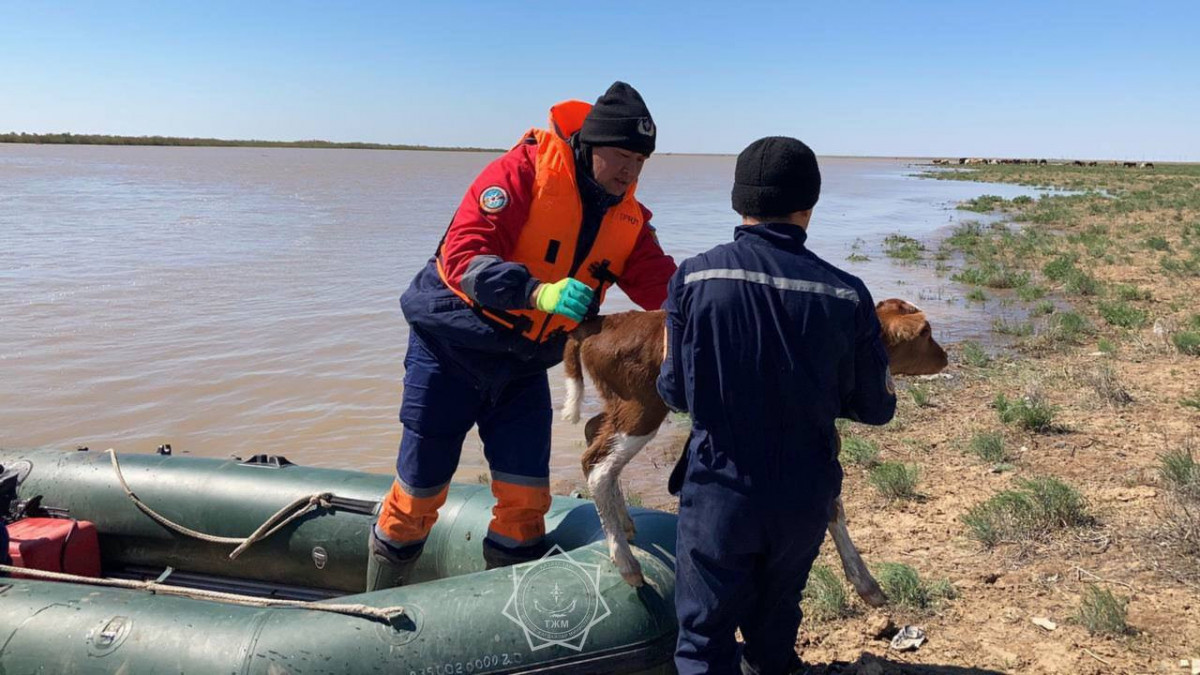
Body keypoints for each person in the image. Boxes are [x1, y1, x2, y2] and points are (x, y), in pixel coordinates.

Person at [368, 82, 677, 590]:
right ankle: (373, 613)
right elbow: (463, 257)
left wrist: (726, 297)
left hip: (525, 365)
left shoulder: (630, 219)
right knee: (418, 496)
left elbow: (663, 287)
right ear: (589, 145)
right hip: (450, 352)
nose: (630, 172)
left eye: (640, 161)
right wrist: (537, 293)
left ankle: (505, 628)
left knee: (527, 504)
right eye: (621, 156)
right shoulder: (518, 173)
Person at [657, 137, 897, 674]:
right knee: (775, 628)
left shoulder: (692, 278)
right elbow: (877, 407)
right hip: (804, 495)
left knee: (703, 641)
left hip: (720, 491)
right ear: (809, 204)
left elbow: (672, 391)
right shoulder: (847, 293)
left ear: (739, 202)